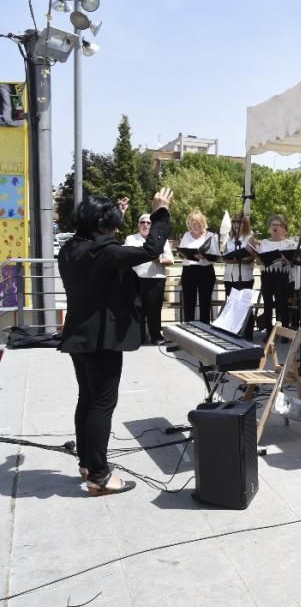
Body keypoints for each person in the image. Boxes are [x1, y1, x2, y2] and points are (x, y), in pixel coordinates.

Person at [59, 188, 174, 495]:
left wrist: (116, 215)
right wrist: (160, 211)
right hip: (102, 339)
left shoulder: (71, 248)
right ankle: (98, 476)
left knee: (87, 398)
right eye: (111, 221)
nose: (115, 226)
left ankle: (87, 461)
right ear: (101, 223)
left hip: (78, 336)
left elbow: (102, 244)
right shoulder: (104, 252)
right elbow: (151, 249)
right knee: (101, 404)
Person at [124, 212, 174, 344]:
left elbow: (171, 260)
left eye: (148, 222)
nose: (145, 225)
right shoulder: (131, 238)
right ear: (138, 225)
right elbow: (126, 257)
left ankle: (156, 336)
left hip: (155, 278)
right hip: (136, 279)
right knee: (137, 309)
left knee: (154, 310)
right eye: (142, 222)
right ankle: (139, 337)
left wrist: (160, 260)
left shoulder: (161, 238)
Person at [256, 215, 296, 334]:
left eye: (277, 225)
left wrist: (286, 259)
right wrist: (260, 259)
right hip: (267, 275)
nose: (275, 227)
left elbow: (293, 262)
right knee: (267, 304)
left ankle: (284, 333)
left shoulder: (290, 244)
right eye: (273, 225)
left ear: (283, 228)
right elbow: (258, 261)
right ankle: (268, 332)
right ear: (269, 227)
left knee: (282, 304)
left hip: (281, 276)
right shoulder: (264, 242)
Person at [179, 211, 220, 324]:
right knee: (189, 303)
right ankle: (189, 329)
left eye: (198, 223)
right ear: (189, 224)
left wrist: (203, 256)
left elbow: (216, 256)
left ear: (203, 223)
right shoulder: (186, 235)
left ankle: (204, 330)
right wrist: (184, 254)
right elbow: (181, 253)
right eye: (193, 223)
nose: (195, 225)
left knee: (205, 302)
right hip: (189, 271)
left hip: (205, 271)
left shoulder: (210, 236)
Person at [221, 212, 256, 340]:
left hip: (244, 276)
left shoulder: (249, 237)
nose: (236, 224)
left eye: (239, 222)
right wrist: (228, 259)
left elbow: (252, 256)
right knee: (232, 305)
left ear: (244, 223)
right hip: (229, 276)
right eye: (234, 222)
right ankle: (234, 332)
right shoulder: (229, 238)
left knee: (245, 306)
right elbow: (224, 254)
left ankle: (248, 335)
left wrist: (240, 259)